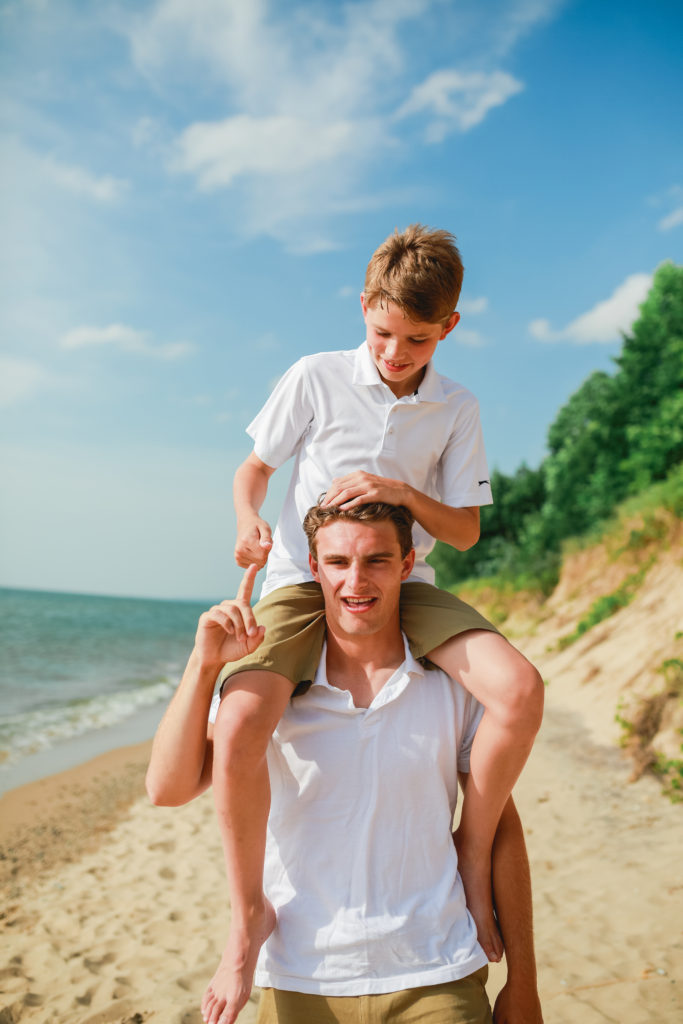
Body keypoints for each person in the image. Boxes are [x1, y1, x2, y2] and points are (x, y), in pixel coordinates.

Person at [211, 225, 544, 1020]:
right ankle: (244, 915)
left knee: (520, 690)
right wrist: (247, 519)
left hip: (405, 579)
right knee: (242, 721)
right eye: (383, 333)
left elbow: (462, 530)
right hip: (303, 581)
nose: (396, 353)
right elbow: (253, 470)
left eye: (417, 339)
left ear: (449, 329)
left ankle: (470, 844)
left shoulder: (456, 407)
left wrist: (400, 494)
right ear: (364, 309)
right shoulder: (315, 376)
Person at [146, 501, 544, 1024]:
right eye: (337, 563)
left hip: (438, 971)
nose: (356, 580)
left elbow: (500, 827)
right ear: (314, 569)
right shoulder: (271, 693)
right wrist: (203, 667)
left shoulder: (455, 683)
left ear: (406, 566)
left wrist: (524, 982)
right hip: (300, 975)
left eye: (377, 561)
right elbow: (167, 788)